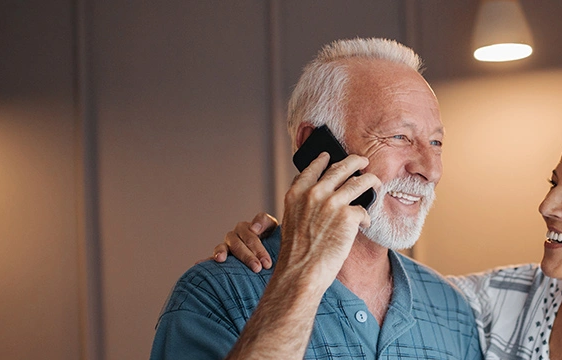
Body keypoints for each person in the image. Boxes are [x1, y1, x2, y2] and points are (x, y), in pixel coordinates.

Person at [222, 117, 562, 359]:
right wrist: (290, 238)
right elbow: (381, 290)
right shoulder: (506, 300)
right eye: (553, 183)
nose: (547, 206)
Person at [149, 38, 482, 359]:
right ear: (316, 146)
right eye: (399, 136)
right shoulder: (213, 295)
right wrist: (301, 275)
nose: (430, 169)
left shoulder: (454, 311)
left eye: (436, 143)